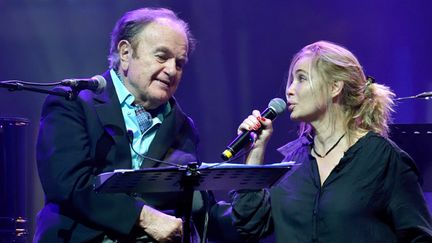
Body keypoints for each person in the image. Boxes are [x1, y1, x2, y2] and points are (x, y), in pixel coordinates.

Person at [227, 41, 432, 242]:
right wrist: (255, 152)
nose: (289, 90)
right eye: (291, 80)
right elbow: (250, 225)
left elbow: (419, 235)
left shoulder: (383, 159)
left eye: (301, 79)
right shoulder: (292, 164)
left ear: (335, 87)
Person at [35, 8, 205, 242]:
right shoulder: (72, 103)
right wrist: (144, 217)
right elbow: (67, 184)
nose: (171, 70)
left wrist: (253, 156)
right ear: (125, 52)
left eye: (180, 63)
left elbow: (198, 210)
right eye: (162, 56)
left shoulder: (183, 126)